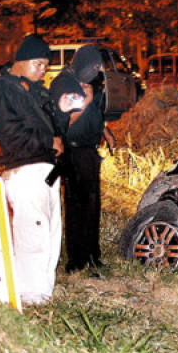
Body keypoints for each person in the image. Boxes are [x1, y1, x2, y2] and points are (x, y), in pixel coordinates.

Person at [0, 35, 84, 305]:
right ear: (22, 61)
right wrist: (48, 141)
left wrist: (62, 112)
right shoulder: (1, 91)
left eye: (45, 65)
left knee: (51, 233)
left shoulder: (38, 91)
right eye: (38, 64)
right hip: (24, 171)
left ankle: (43, 293)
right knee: (32, 233)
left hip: (47, 171)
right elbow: (11, 136)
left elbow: (57, 131)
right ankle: (31, 297)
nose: (43, 70)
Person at [52, 46, 115, 273]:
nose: (94, 73)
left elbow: (96, 112)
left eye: (96, 69)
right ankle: (76, 260)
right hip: (73, 152)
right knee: (76, 206)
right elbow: (63, 122)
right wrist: (85, 100)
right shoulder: (63, 83)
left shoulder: (90, 82)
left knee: (92, 206)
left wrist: (105, 132)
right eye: (91, 68)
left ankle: (92, 254)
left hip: (89, 151)